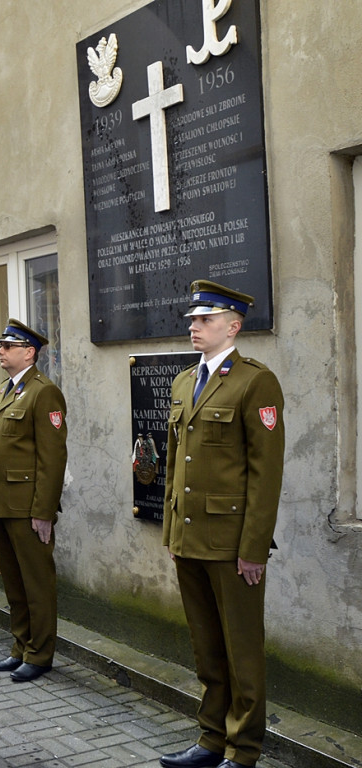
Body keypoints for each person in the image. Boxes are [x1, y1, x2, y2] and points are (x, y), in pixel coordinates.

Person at [159, 281, 284, 768]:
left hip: (232, 545)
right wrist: (173, 532)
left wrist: (253, 548)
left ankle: (243, 749)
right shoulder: (183, 382)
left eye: (204, 320)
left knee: (242, 652)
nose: (194, 326)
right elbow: (173, 465)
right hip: (190, 540)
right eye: (193, 319)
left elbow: (265, 473)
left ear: (233, 326)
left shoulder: (256, 382)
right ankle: (211, 740)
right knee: (207, 648)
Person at [0, 319, 67, 683]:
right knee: (13, 581)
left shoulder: (43, 392)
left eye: (7, 346)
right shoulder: (5, 389)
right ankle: (20, 646)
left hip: (27, 507)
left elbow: (53, 458)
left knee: (36, 583)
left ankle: (40, 653)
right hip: (0, 503)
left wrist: (43, 511)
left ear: (29, 352)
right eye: (0, 346)